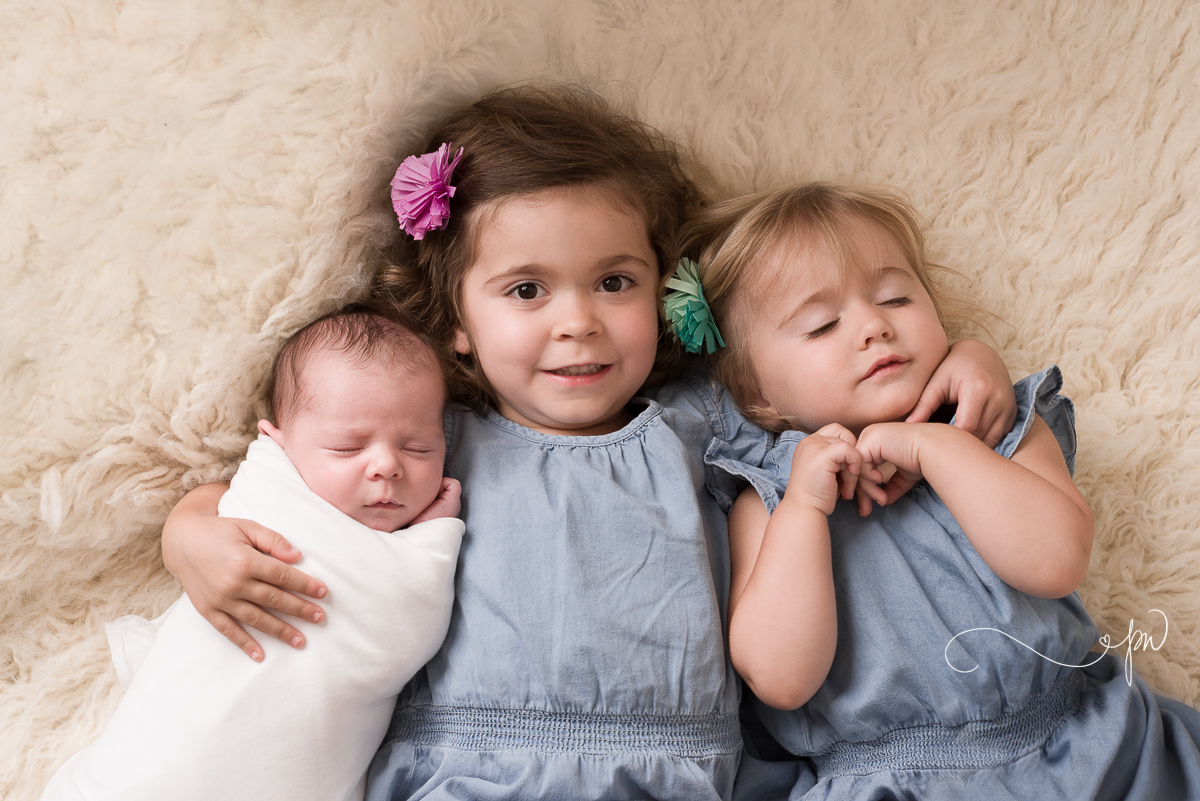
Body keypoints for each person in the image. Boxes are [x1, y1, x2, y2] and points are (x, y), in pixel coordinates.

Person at [159, 86, 1018, 800]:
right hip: (475, 770)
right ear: (457, 319)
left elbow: (822, 388)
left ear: (666, 291)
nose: (578, 322)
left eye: (615, 281)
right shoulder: (431, 437)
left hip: (674, 769)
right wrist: (193, 529)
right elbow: (296, 479)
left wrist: (967, 356)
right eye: (527, 289)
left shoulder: (704, 424)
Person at [687, 182, 1200, 799]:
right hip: (896, 780)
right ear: (759, 396)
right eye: (822, 326)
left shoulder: (989, 425)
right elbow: (780, 678)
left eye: (896, 297)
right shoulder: (769, 499)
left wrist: (938, 447)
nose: (874, 326)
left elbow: (1057, 561)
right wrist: (804, 508)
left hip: (1091, 746)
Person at [42, 307, 465, 801]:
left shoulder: (418, 550)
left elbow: (405, 637)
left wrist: (434, 538)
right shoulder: (268, 485)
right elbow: (215, 498)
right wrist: (190, 529)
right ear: (276, 446)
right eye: (348, 448)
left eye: (418, 448)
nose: (387, 466)